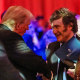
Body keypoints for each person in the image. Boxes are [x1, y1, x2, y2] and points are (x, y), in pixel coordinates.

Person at [0, 6, 51, 80]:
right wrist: (48, 71)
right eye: (27, 25)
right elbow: (32, 60)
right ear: (18, 25)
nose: (27, 29)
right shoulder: (10, 36)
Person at [46, 8, 80, 80]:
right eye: (52, 27)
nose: (54, 31)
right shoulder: (51, 47)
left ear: (70, 26)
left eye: (57, 27)